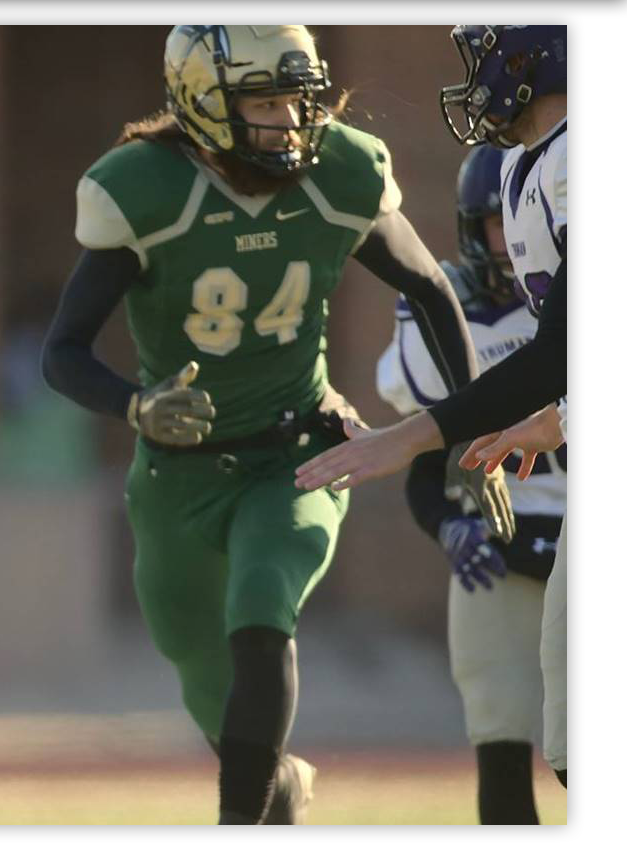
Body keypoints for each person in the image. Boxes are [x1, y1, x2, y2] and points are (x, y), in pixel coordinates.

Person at [40, 26, 496, 824]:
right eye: (265, 101)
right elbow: (63, 352)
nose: (289, 120)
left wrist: (468, 431)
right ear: (202, 102)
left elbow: (432, 290)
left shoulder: (338, 172)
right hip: (176, 474)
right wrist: (136, 406)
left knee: (262, 606)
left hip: (299, 451)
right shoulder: (144, 188)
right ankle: (275, 786)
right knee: (198, 666)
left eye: (298, 98)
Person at [296, 24, 569, 790]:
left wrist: (410, 437)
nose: (479, 71)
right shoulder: (530, 166)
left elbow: (559, 352)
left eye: (495, 50)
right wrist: (551, 425)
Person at [375, 143, 563, 824]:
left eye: (523, 222)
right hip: (501, 548)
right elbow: (428, 465)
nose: (513, 243)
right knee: (499, 728)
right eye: (497, 223)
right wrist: (448, 524)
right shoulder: (450, 316)